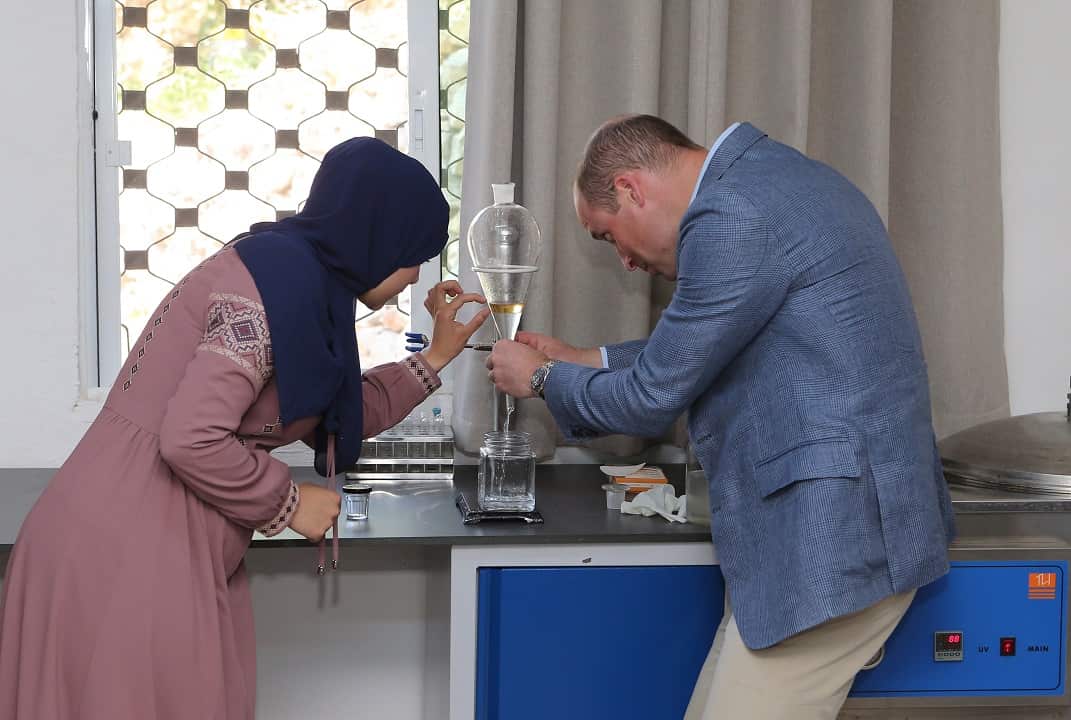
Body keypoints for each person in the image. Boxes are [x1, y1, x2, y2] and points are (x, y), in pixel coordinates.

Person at [0, 137, 489, 720]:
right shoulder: (269, 290)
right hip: (126, 549)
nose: (415, 275)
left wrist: (435, 357)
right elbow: (191, 437)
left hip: (144, 532)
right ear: (376, 236)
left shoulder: (299, 280)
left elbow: (334, 412)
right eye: (414, 253)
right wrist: (289, 503)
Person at [486, 115, 955, 718]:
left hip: (830, 539)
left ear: (630, 189)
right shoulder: (778, 180)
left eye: (607, 236)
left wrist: (542, 379)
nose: (624, 261)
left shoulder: (731, 214)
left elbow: (652, 397)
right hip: (842, 529)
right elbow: (706, 346)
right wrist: (583, 359)